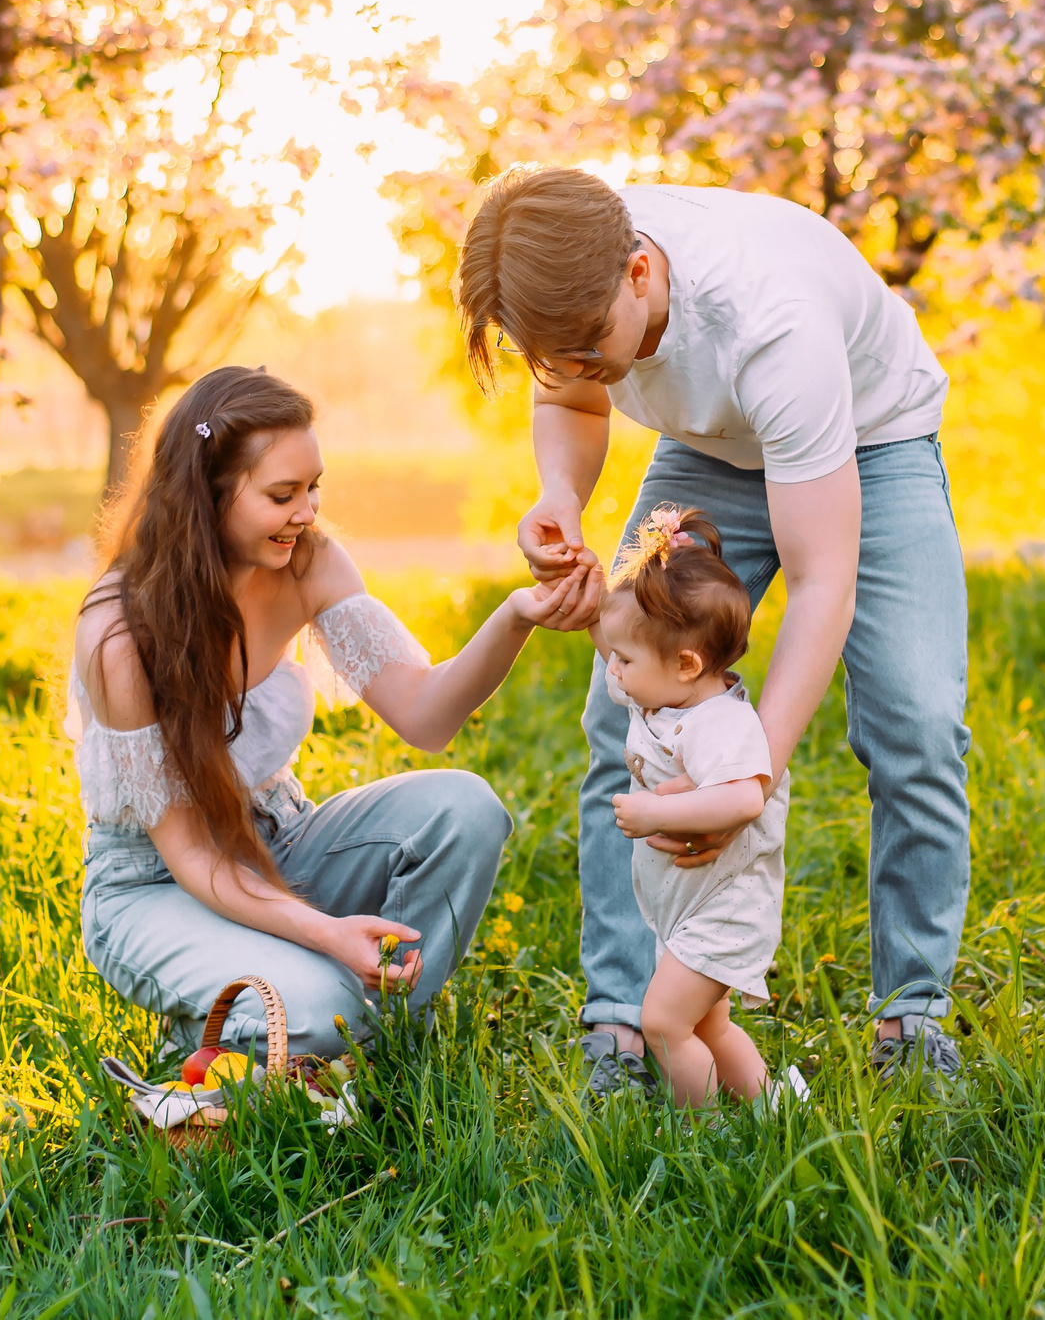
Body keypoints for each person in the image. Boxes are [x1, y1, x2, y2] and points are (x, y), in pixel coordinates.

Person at [456, 165, 971, 1093]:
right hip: (708, 445)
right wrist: (562, 496)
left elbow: (822, 581)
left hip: (870, 435)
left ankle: (913, 1015)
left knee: (918, 724)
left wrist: (747, 777)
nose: (577, 370)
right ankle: (619, 1021)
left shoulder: (772, 322)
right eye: (548, 354)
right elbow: (570, 397)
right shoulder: (573, 278)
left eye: (586, 345)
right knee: (623, 716)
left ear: (641, 273)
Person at [70, 365, 599, 1063]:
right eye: (282, 494)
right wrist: (326, 934)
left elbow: (427, 716)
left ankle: (360, 1034)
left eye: (313, 487)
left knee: (464, 807)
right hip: (158, 884)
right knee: (322, 1003)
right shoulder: (119, 633)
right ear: (207, 493)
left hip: (277, 840)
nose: (308, 512)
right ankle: (299, 1030)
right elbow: (194, 855)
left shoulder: (306, 564)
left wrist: (516, 616)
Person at [596, 505, 804, 1107]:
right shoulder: (663, 694)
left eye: (624, 660)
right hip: (688, 906)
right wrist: (594, 608)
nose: (614, 670)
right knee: (709, 1024)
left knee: (662, 1024)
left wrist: (656, 815)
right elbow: (620, 644)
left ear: (686, 665)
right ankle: (773, 1110)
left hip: (726, 907)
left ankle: (704, 1139)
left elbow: (743, 796)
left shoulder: (719, 725)